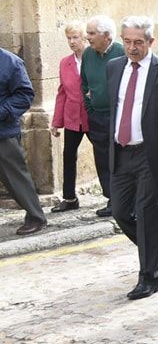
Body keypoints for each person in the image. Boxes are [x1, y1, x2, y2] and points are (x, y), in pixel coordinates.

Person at [107, 16, 158, 299]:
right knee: (119, 211)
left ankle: (149, 277)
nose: (132, 47)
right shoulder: (114, 67)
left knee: (148, 215)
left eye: (138, 42)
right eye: (127, 41)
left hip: (150, 155)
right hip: (120, 152)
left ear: (151, 42)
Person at [0, 47, 47, 235]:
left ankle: (36, 217)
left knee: (15, 177)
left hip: (3, 132)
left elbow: (25, 95)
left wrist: (1, 112)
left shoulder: (10, 61)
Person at [81, 15, 125, 217]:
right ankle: (112, 199)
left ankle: (124, 199)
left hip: (119, 118)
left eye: (91, 33)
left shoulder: (122, 53)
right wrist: (90, 109)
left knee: (121, 160)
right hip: (98, 117)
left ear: (106, 36)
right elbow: (84, 84)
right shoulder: (88, 54)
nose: (87, 37)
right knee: (103, 160)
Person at [50, 22, 90, 213]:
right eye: (69, 38)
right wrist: (56, 121)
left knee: (104, 155)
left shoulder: (94, 59)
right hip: (73, 117)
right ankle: (70, 198)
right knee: (68, 155)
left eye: (75, 37)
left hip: (93, 116)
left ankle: (112, 198)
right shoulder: (65, 62)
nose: (72, 42)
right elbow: (62, 93)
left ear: (84, 38)